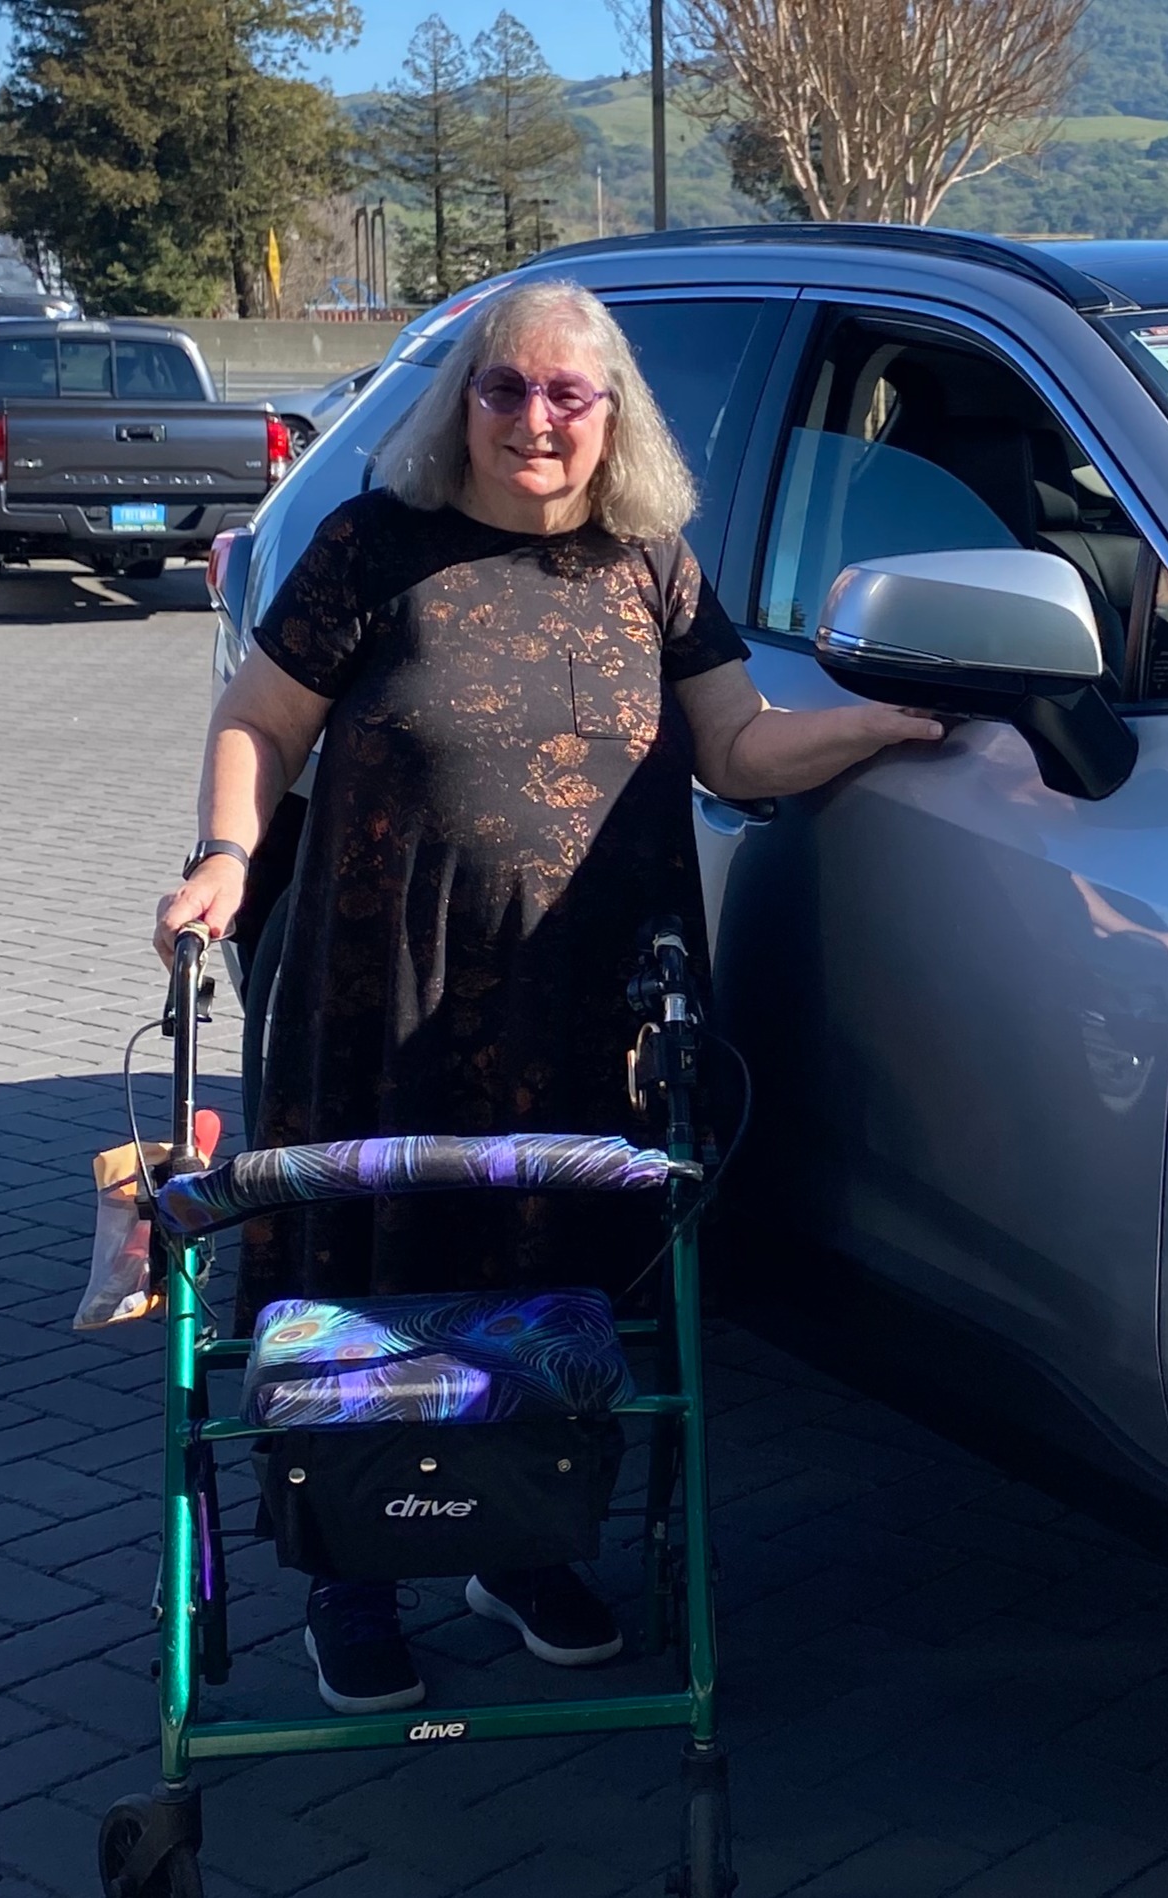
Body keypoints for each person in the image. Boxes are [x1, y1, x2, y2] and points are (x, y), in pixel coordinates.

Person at [153, 278, 942, 1713]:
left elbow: (738, 746)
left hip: (587, 1002)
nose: (535, 418)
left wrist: (884, 728)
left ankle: (522, 1547)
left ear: (612, 414)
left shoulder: (650, 562)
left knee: (555, 1270)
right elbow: (259, 720)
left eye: (568, 393)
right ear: (461, 403)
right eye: (505, 387)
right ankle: (353, 1574)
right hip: (381, 992)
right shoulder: (373, 543)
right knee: (376, 1272)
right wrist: (222, 856)